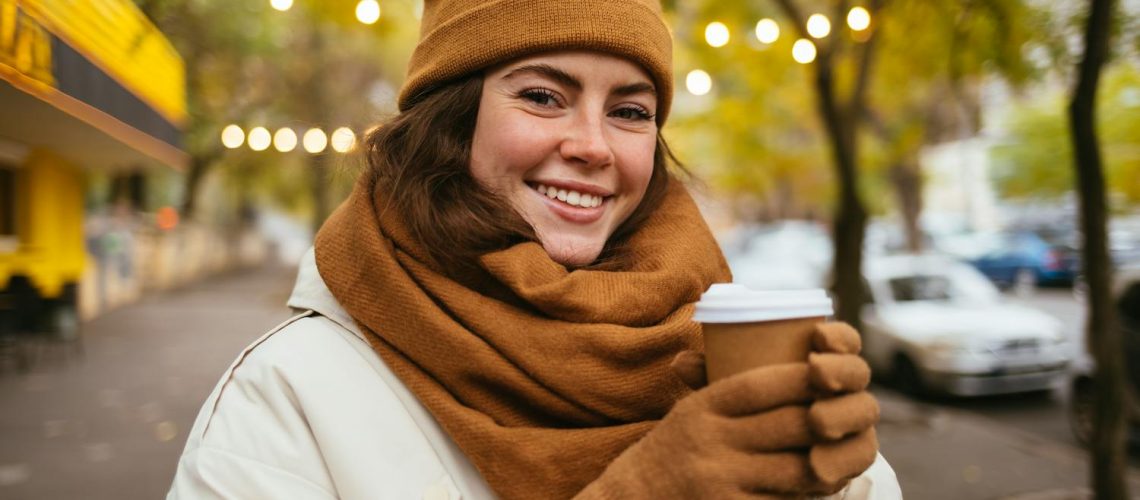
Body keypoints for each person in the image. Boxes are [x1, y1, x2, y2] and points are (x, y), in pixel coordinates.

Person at [168, 0, 901, 498]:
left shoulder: (702, 343)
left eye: (630, 111)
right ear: (451, 121)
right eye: (543, 96)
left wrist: (841, 485)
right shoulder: (288, 393)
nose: (591, 146)